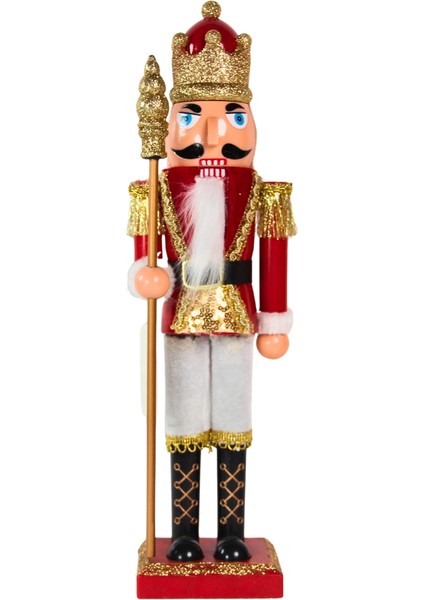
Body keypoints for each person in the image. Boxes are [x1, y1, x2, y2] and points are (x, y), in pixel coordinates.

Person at [127, 1, 296, 563]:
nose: (213, 133)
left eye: (233, 116)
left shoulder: (264, 192)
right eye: (194, 115)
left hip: (239, 316)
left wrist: (274, 319)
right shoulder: (155, 188)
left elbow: (274, 256)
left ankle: (230, 530)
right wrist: (147, 274)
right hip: (179, 314)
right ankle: (182, 530)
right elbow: (144, 256)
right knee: (182, 418)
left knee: (233, 418)